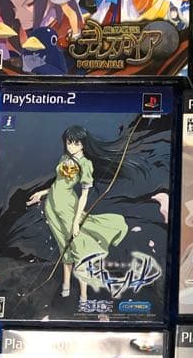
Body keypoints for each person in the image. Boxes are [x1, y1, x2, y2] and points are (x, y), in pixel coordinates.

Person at [26, 125, 128, 308]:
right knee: (63, 247)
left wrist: (75, 222)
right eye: (68, 142)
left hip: (68, 209)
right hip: (52, 207)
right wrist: (43, 192)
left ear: (83, 144)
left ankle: (83, 295)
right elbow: (58, 184)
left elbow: (84, 195)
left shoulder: (85, 164)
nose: (71, 146)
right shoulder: (64, 158)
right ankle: (66, 286)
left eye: (76, 143)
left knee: (79, 250)